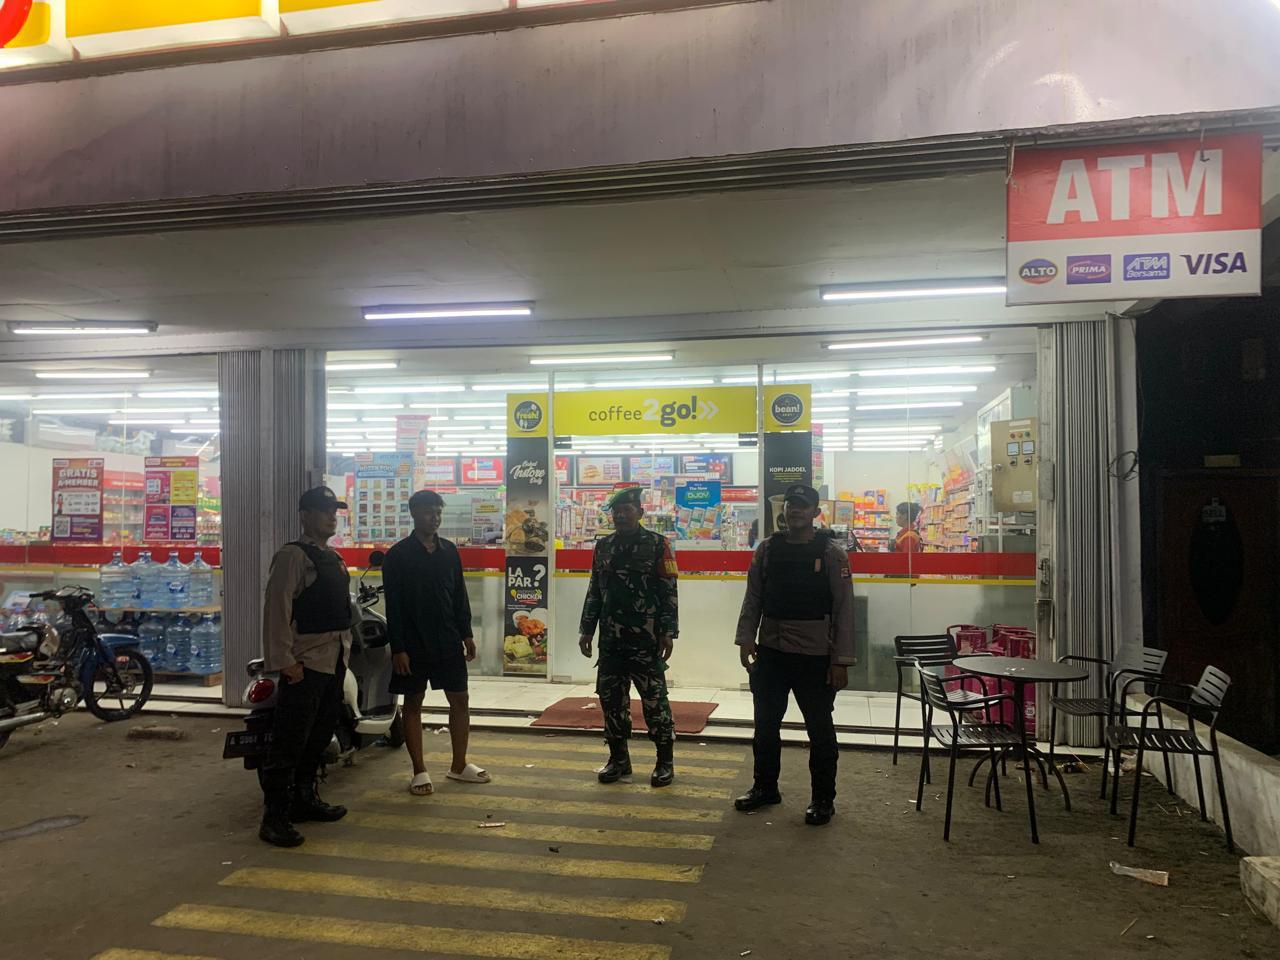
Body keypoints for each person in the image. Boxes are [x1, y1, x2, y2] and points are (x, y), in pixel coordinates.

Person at [733, 483, 856, 826]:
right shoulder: (767, 550)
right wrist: (746, 638)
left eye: (802, 505)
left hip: (815, 656)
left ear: (815, 512)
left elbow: (844, 609)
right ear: (784, 510)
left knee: (819, 729)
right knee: (765, 725)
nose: (795, 510)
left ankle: (823, 799)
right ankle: (765, 787)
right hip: (772, 652)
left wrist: (841, 661)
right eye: (791, 505)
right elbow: (753, 597)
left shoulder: (832, 553)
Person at [258, 485, 353, 847]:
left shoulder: (331, 556)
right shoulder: (292, 556)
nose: (331, 517)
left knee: (318, 737)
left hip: (334, 659)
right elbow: (277, 610)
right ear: (305, 516)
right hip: (306, 661)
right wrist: (285, 661)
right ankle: (274, 818)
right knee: (289, 742)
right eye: (324, 510)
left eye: (334, 511)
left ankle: (304, 800)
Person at [383, 489, 489, 796]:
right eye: (429, 512)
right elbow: (394, 607)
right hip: (413, 643)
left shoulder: (449, 551)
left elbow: (459, 595)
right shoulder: (398, 556)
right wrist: (398, 648)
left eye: (439, 512)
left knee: (460, 699)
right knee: (413, 703)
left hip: (447, 639)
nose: (435, 518)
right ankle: (419, 770)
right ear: (414, 513)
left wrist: (466, 633)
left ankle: (459, 765)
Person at [578, 486, 679, 788]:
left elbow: (669, 590)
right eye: (617, 511)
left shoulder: (658, 544)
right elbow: (595, 589)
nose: (621, 516)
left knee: (654, 702)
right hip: (611, 640)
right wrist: (587, 628)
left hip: (645, 639)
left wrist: (668, 631)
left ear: (640, 513)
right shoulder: (604, 546)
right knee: (611, 701)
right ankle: (619, 759)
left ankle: (665, 761)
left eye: (627, 510)